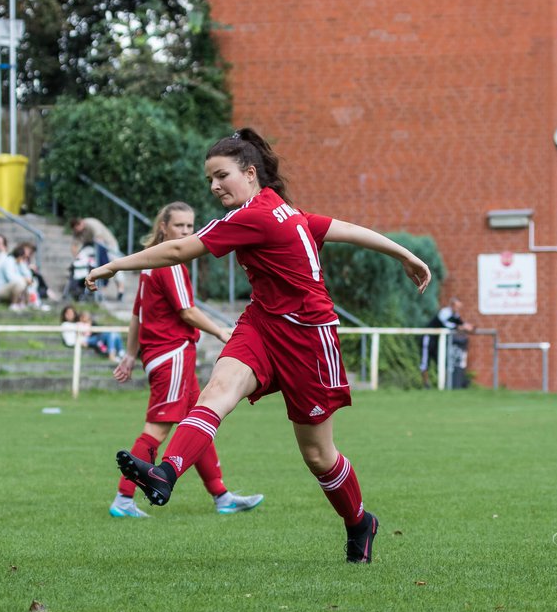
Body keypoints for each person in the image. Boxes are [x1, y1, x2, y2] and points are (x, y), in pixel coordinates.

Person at [86, 128, 431, 562]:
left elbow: (177, 251)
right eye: (209, 178)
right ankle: (166, 472)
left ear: (250, 173)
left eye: (222, 175)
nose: (214, 186)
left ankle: (360, 521)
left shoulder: (257, 216)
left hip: (309, 337)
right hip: (263, 324)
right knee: (217, 391)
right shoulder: (279, 210)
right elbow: (343, 227)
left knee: (318, 455)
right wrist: (403, 254)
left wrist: (114, 265)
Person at [104, 201, 263, 519]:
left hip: (167, 356)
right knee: (157, 430)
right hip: (172, 355)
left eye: (191, 227)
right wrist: (221, 331)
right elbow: (186, 312)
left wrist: (131, 355)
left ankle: (222, 496)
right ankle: (123, 498)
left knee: (198, 423)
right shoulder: (170, 264)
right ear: (164, 227)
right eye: (180, 226)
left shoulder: (150, 263)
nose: (187, 232)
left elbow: (137, 315)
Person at [420, 297, 475, 389]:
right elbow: (446, 325)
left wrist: (468, 326)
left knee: (442, 361)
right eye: (457, 307)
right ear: (452, 305)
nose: (458, 309)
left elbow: (461, 323)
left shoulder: (455, 315)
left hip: (438, 340)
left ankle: (443, 384)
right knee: (425, 362)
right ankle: (425, 384)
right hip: (429, 338)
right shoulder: (444, 313)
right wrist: (460, 327)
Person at [0, 241, 34, 310]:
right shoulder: (8, 261)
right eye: (23, 258)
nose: (24, 260)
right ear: (20, 256)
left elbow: (28, 276)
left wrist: (22, 265)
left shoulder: (18, 264)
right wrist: (24, 279)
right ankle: (13, 304)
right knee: (20, 283)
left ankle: (23, 304)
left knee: (24, 283)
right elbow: (10, 278)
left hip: (10, 287)